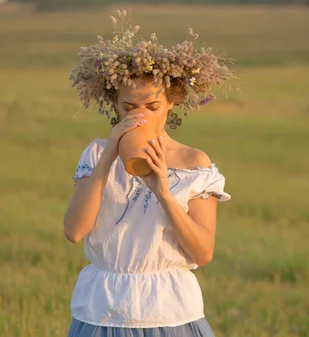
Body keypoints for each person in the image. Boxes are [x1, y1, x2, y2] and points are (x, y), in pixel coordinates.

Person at [64, 10, 234, 337]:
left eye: (152, 107)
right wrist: (109, 159)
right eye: (129, 108)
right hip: (102, 310)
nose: (140, 116)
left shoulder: (193, 162)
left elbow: (203, 252)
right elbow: (74, 231)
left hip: (170, 314)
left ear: (171, 103)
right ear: (115, 106)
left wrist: (165, 194)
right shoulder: (98, 154)